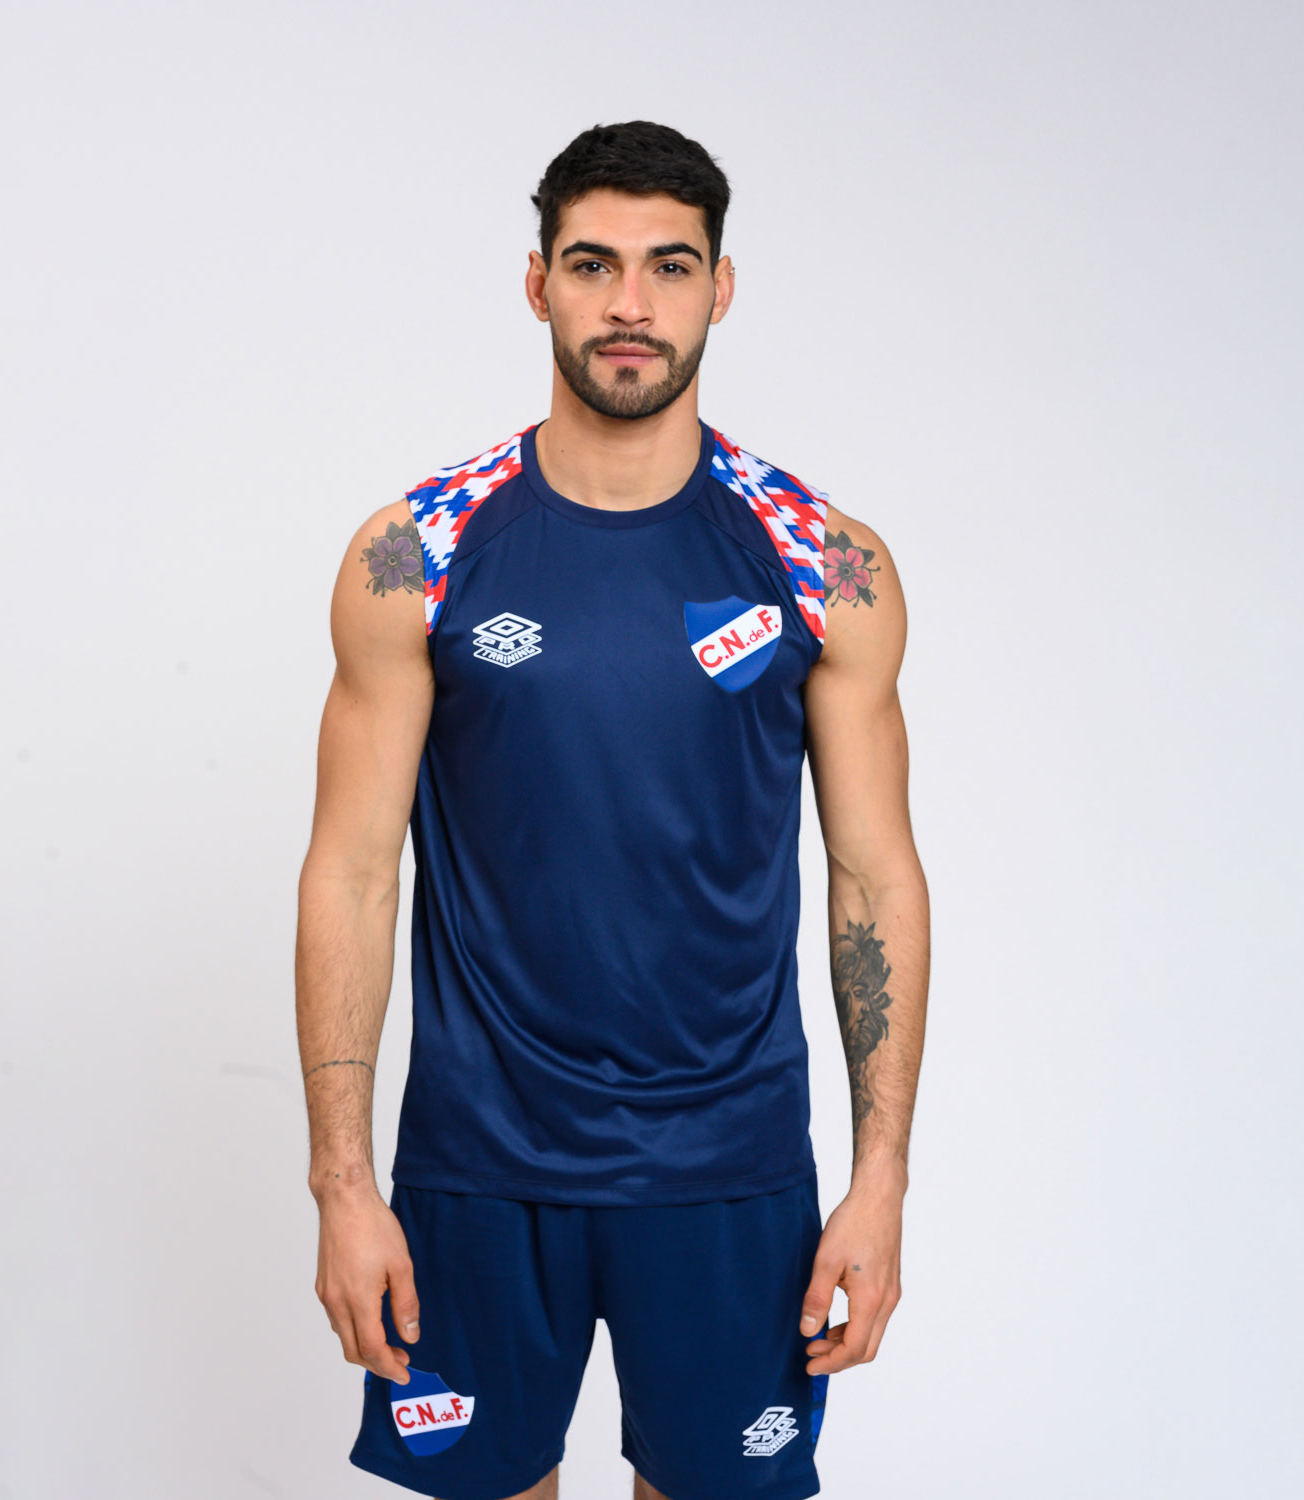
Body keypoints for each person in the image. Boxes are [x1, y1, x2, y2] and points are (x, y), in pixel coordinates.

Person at [295, 120, 930, 1500]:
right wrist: (342, 1184)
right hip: (479, 1165)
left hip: (730, 1171)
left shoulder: (824, 564)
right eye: (593, 265)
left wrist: (880, 1177)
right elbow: (350, 872)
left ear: (720, 288)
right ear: (538, 283)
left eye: (668, 266)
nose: (630, 303)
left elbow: (872, 878)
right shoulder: (417, 555)